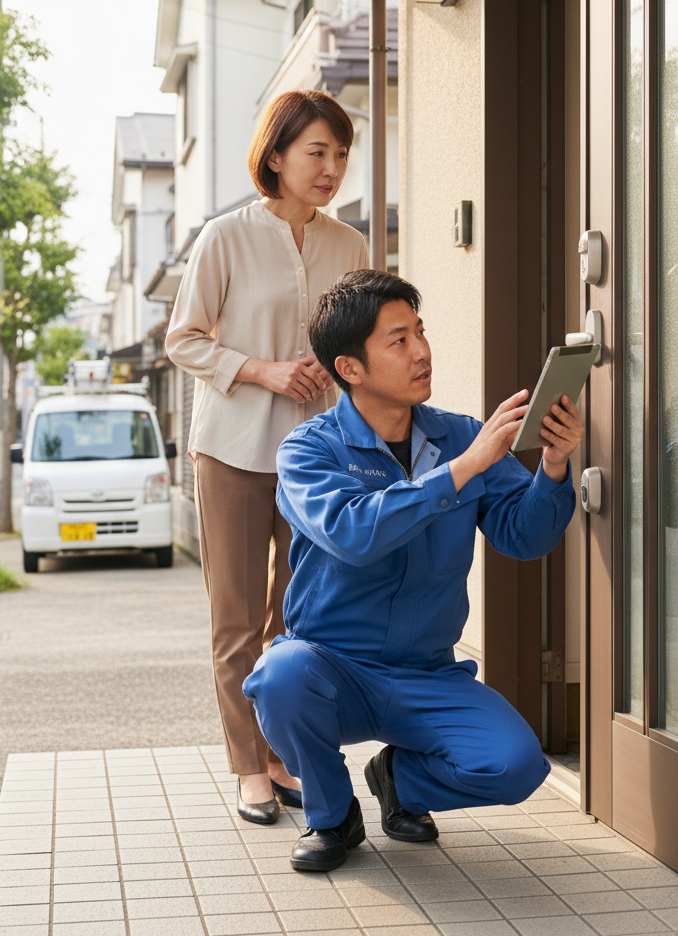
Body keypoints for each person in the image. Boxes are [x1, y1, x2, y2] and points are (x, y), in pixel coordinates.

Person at [242, 269, 584, 870]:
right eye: (398, 341)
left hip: (428, 673)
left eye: (420, 332)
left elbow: (524, 538)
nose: (422, 350)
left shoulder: (462, 437)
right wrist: (460, 471)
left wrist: (553, 467)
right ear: (350, 368)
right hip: (332, 667)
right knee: (280, 676)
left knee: (517, 766)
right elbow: (354, 533)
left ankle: (400, 781)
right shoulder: (307, 450)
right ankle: (331, 817)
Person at [166, 91, 369, 825]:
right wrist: (266, 369)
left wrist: (334, 368)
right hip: (232, 450)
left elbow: (357, 340)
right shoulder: (224, 237)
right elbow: (182, 340)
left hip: (317, 456)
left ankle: (284, 755)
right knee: (237, 619)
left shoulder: (350, 246)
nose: (332, 168)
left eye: (342, 154)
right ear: (276, 156)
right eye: (318, 152)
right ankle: (249, 766)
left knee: (302, 616)